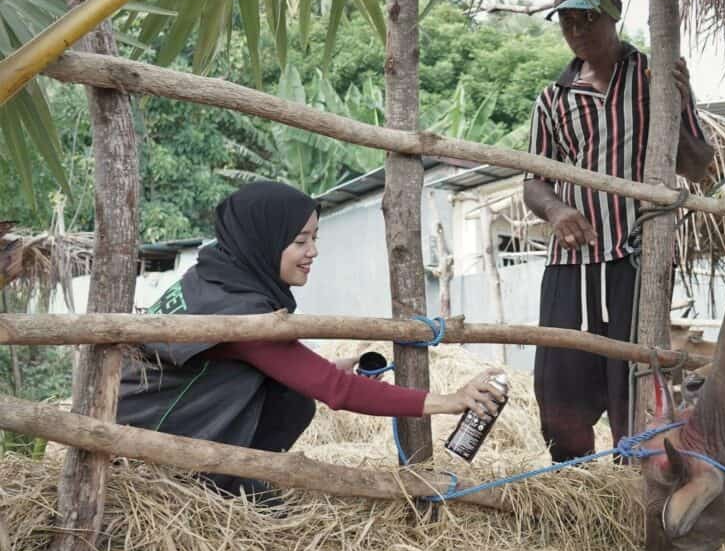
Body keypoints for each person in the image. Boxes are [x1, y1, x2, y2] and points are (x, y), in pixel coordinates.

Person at [118, 181, 504, 499]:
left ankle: (240, 480)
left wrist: (321, 369)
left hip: (136, 421)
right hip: (148, 455)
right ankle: (226, 489)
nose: (312, 252)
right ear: (263, 242)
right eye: (300, 240)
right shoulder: (241, 313)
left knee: (291, 391)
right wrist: (449, 402)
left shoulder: (211, 278)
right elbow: (336, 390)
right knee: (296, 395)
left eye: (314, 238)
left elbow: (238, 363)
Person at [524, 0, 714, 461]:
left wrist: (682, 101)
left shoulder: (655, 79)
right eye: (566, 20)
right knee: (559, 388)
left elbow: (695, 164)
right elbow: (532, 180)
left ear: (614, 12)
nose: (577, 29)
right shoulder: (553, 98)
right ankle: (575, 486)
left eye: (587, 16)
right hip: (572, 264)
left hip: (636, 260)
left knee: (633, 385)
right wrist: (558, 210)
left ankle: (635, 480)